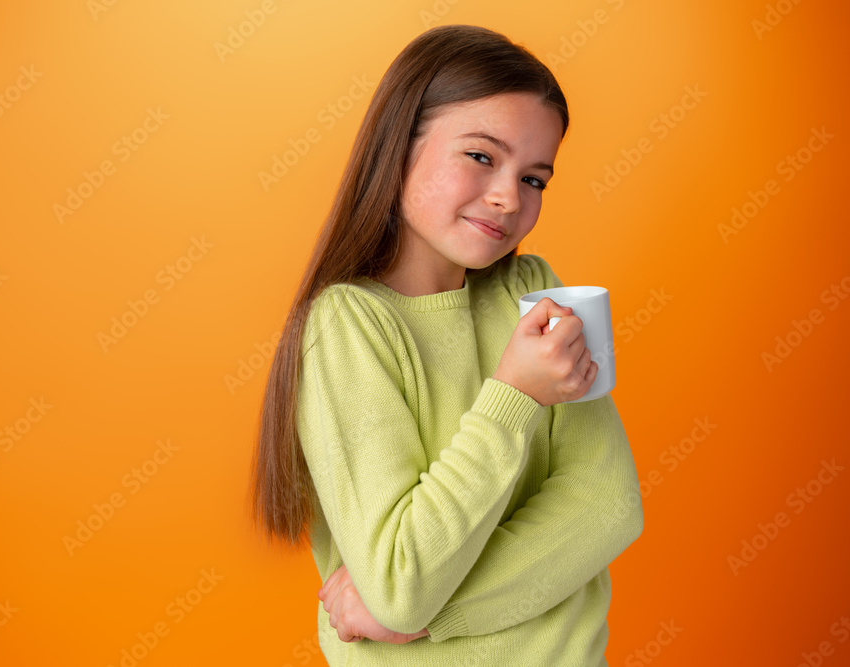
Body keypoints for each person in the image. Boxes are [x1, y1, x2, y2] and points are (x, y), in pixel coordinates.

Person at [248, 23, 644, 666]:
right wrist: (514, 394)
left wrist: (435, 618)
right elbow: (402, 580)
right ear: (398, 146)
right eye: (482, 156)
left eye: (535, 178)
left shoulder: (538, 291)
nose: (507, 197)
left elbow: (608, 505)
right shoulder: (348, 326)